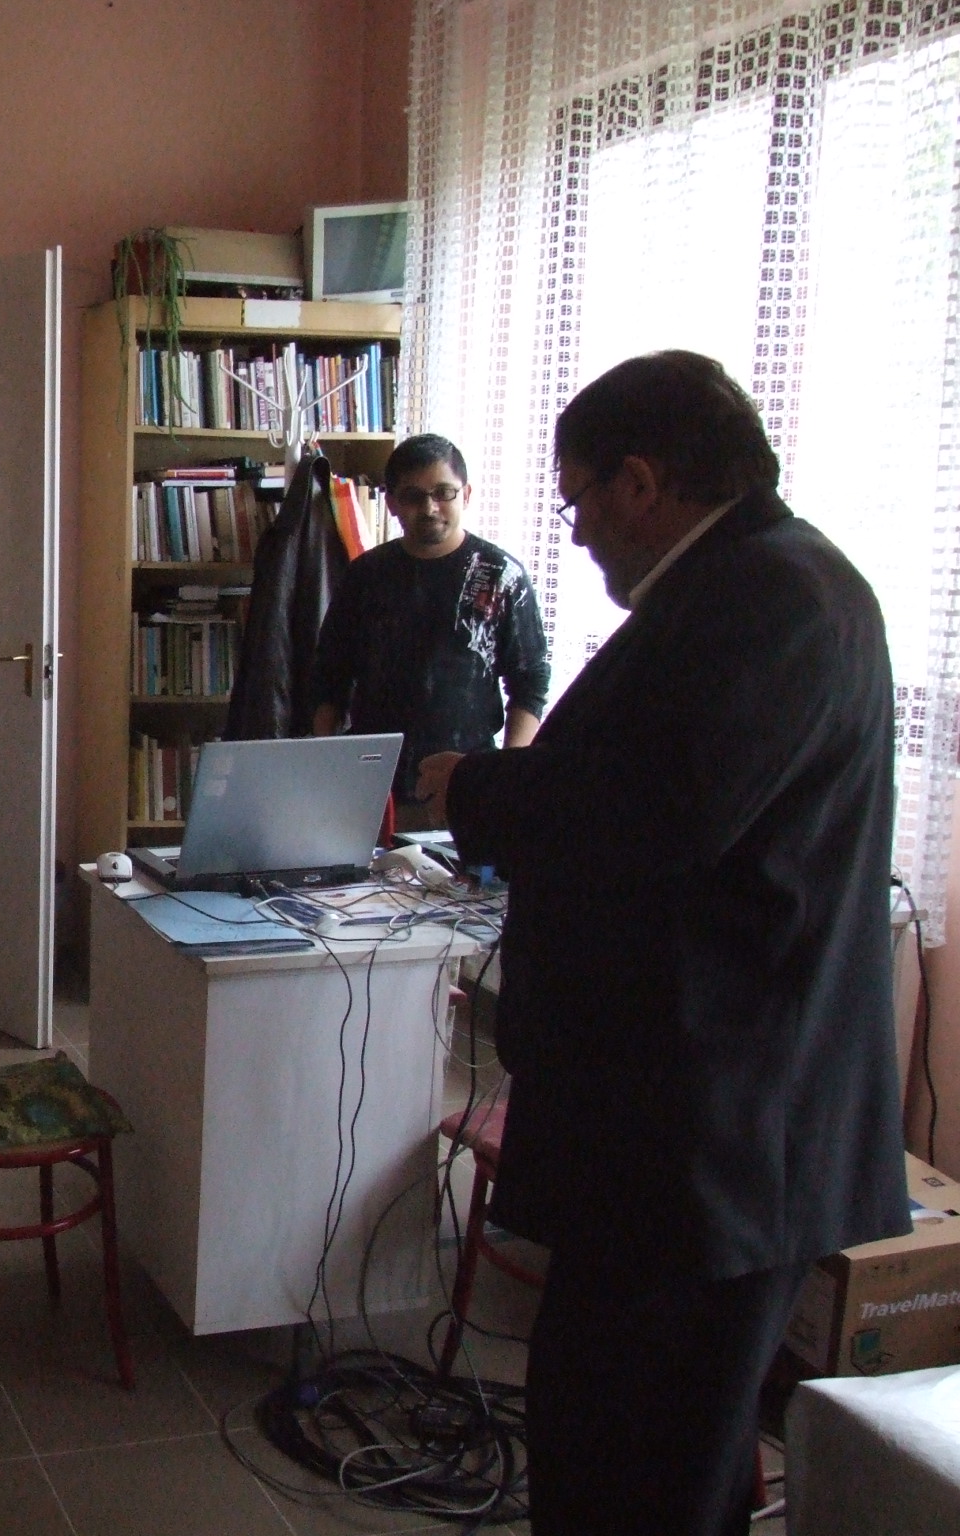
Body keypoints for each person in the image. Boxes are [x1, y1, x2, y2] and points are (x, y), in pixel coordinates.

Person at [413, 352, 910, 1535]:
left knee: (633, 1461)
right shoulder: (748, 582)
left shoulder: (773, 599)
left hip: (712, 1138)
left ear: (640, 483)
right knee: (646, 1448)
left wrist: (475, 788)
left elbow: (652, 816)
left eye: (579, 499)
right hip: (678, 1131)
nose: (576, 530)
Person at [309, 433, 549, 826]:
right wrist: (328, 764)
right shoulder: (365, 576)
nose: (430, 507)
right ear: (391, 503)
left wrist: (505, 777)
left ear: (466, 494)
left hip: (468, 785)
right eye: (413, 496)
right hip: (372, 786)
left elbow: (530, 682)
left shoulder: (501, 576)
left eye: (443, 493)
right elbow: (329, 676)